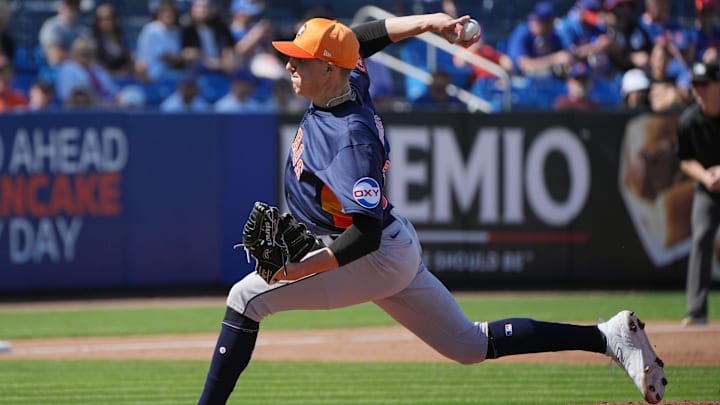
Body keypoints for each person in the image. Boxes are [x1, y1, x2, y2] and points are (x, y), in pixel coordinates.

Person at [196, 14, 667, 405]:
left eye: (301, 60)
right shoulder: (346, 82)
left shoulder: (348, 140)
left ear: (328, 70)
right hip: (389, 243)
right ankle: (607, 337)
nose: (289, 64)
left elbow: (364, 235)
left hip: (372, 254)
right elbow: (361, 37)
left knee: (246, 299)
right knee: (470, 345)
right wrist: (430, 22)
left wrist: (298, 271)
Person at [676, 60, 720, 327]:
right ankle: (696, 310)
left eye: (704, 84)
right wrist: (705, 176)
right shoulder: (689, 120)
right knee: (702, 236)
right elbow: (684, 159)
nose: (699, 90)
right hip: (708, 189)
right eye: (695, 85)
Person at [506, 1, 574, 77]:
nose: (552, 26)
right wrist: (555, 59)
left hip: (549, 83)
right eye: (548, 22)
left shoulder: (553, 35)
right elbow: (525, 66)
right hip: (521, 82)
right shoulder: (521, 34)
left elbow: (565, 55)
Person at [55, 37, 119, 106]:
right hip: (87, 106)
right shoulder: (68, 68)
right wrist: (99, 102)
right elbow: (67, 94)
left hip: (108, 103)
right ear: (74, 52)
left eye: (87, 52)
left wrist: (118, 98)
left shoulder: (97, 69)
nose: (84, 55)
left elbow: (112, 89)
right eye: (80, 52)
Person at [135, 0, 187, 82]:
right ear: (159, 13)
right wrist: (185, 56)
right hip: (154, 73)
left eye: (172, 12)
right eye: (165, 11)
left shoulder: (176, 31)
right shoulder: (151, 29)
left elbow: (176, 56)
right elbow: (165, 57)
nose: (169, 14)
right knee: (186, 79)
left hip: (171, 71)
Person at [38, 0, 90, 67]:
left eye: (76, 5)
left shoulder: (83, 30)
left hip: (81, 69)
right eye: (69, 4)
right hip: (58, 72)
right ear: (61, 6)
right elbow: (55, 58)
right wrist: (81, 59)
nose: (73, 8)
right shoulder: (52, 26)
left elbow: (92, 55)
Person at [91, 2, 135, 77]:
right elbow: (97, 70)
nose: (104, 22)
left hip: (127, 79)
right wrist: (119, 73)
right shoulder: (94, 43)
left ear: (115, 19)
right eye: (100, 19)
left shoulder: (122, 39)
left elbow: (130, 60)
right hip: (108, 82)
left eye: (107, 18)